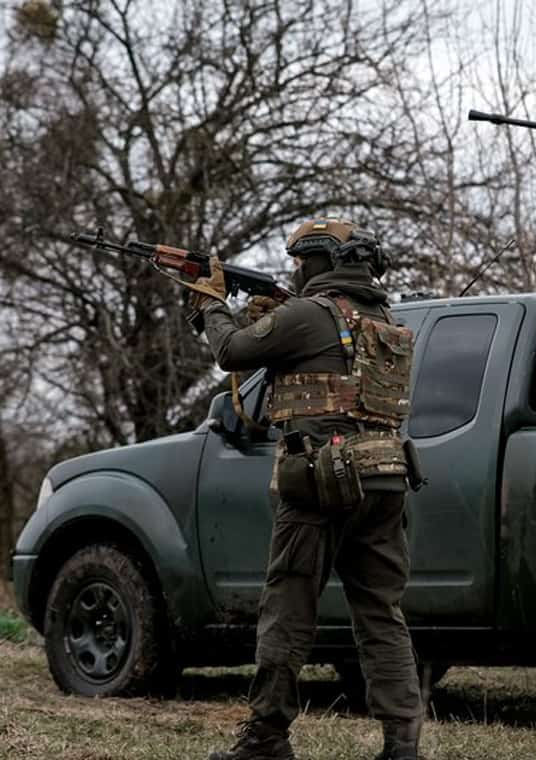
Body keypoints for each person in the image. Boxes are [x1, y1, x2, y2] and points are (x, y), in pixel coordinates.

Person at [187, 219, 423, 760]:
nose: (294, 270)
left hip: (319, 481)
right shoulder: (384, 321)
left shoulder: (310, 313)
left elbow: (231, 351)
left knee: (287, 609)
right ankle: (402, 745)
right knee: (382, 613)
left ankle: (267, 738)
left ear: (320, 262)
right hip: (385, 479)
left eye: (300, 261)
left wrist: (210, 304)